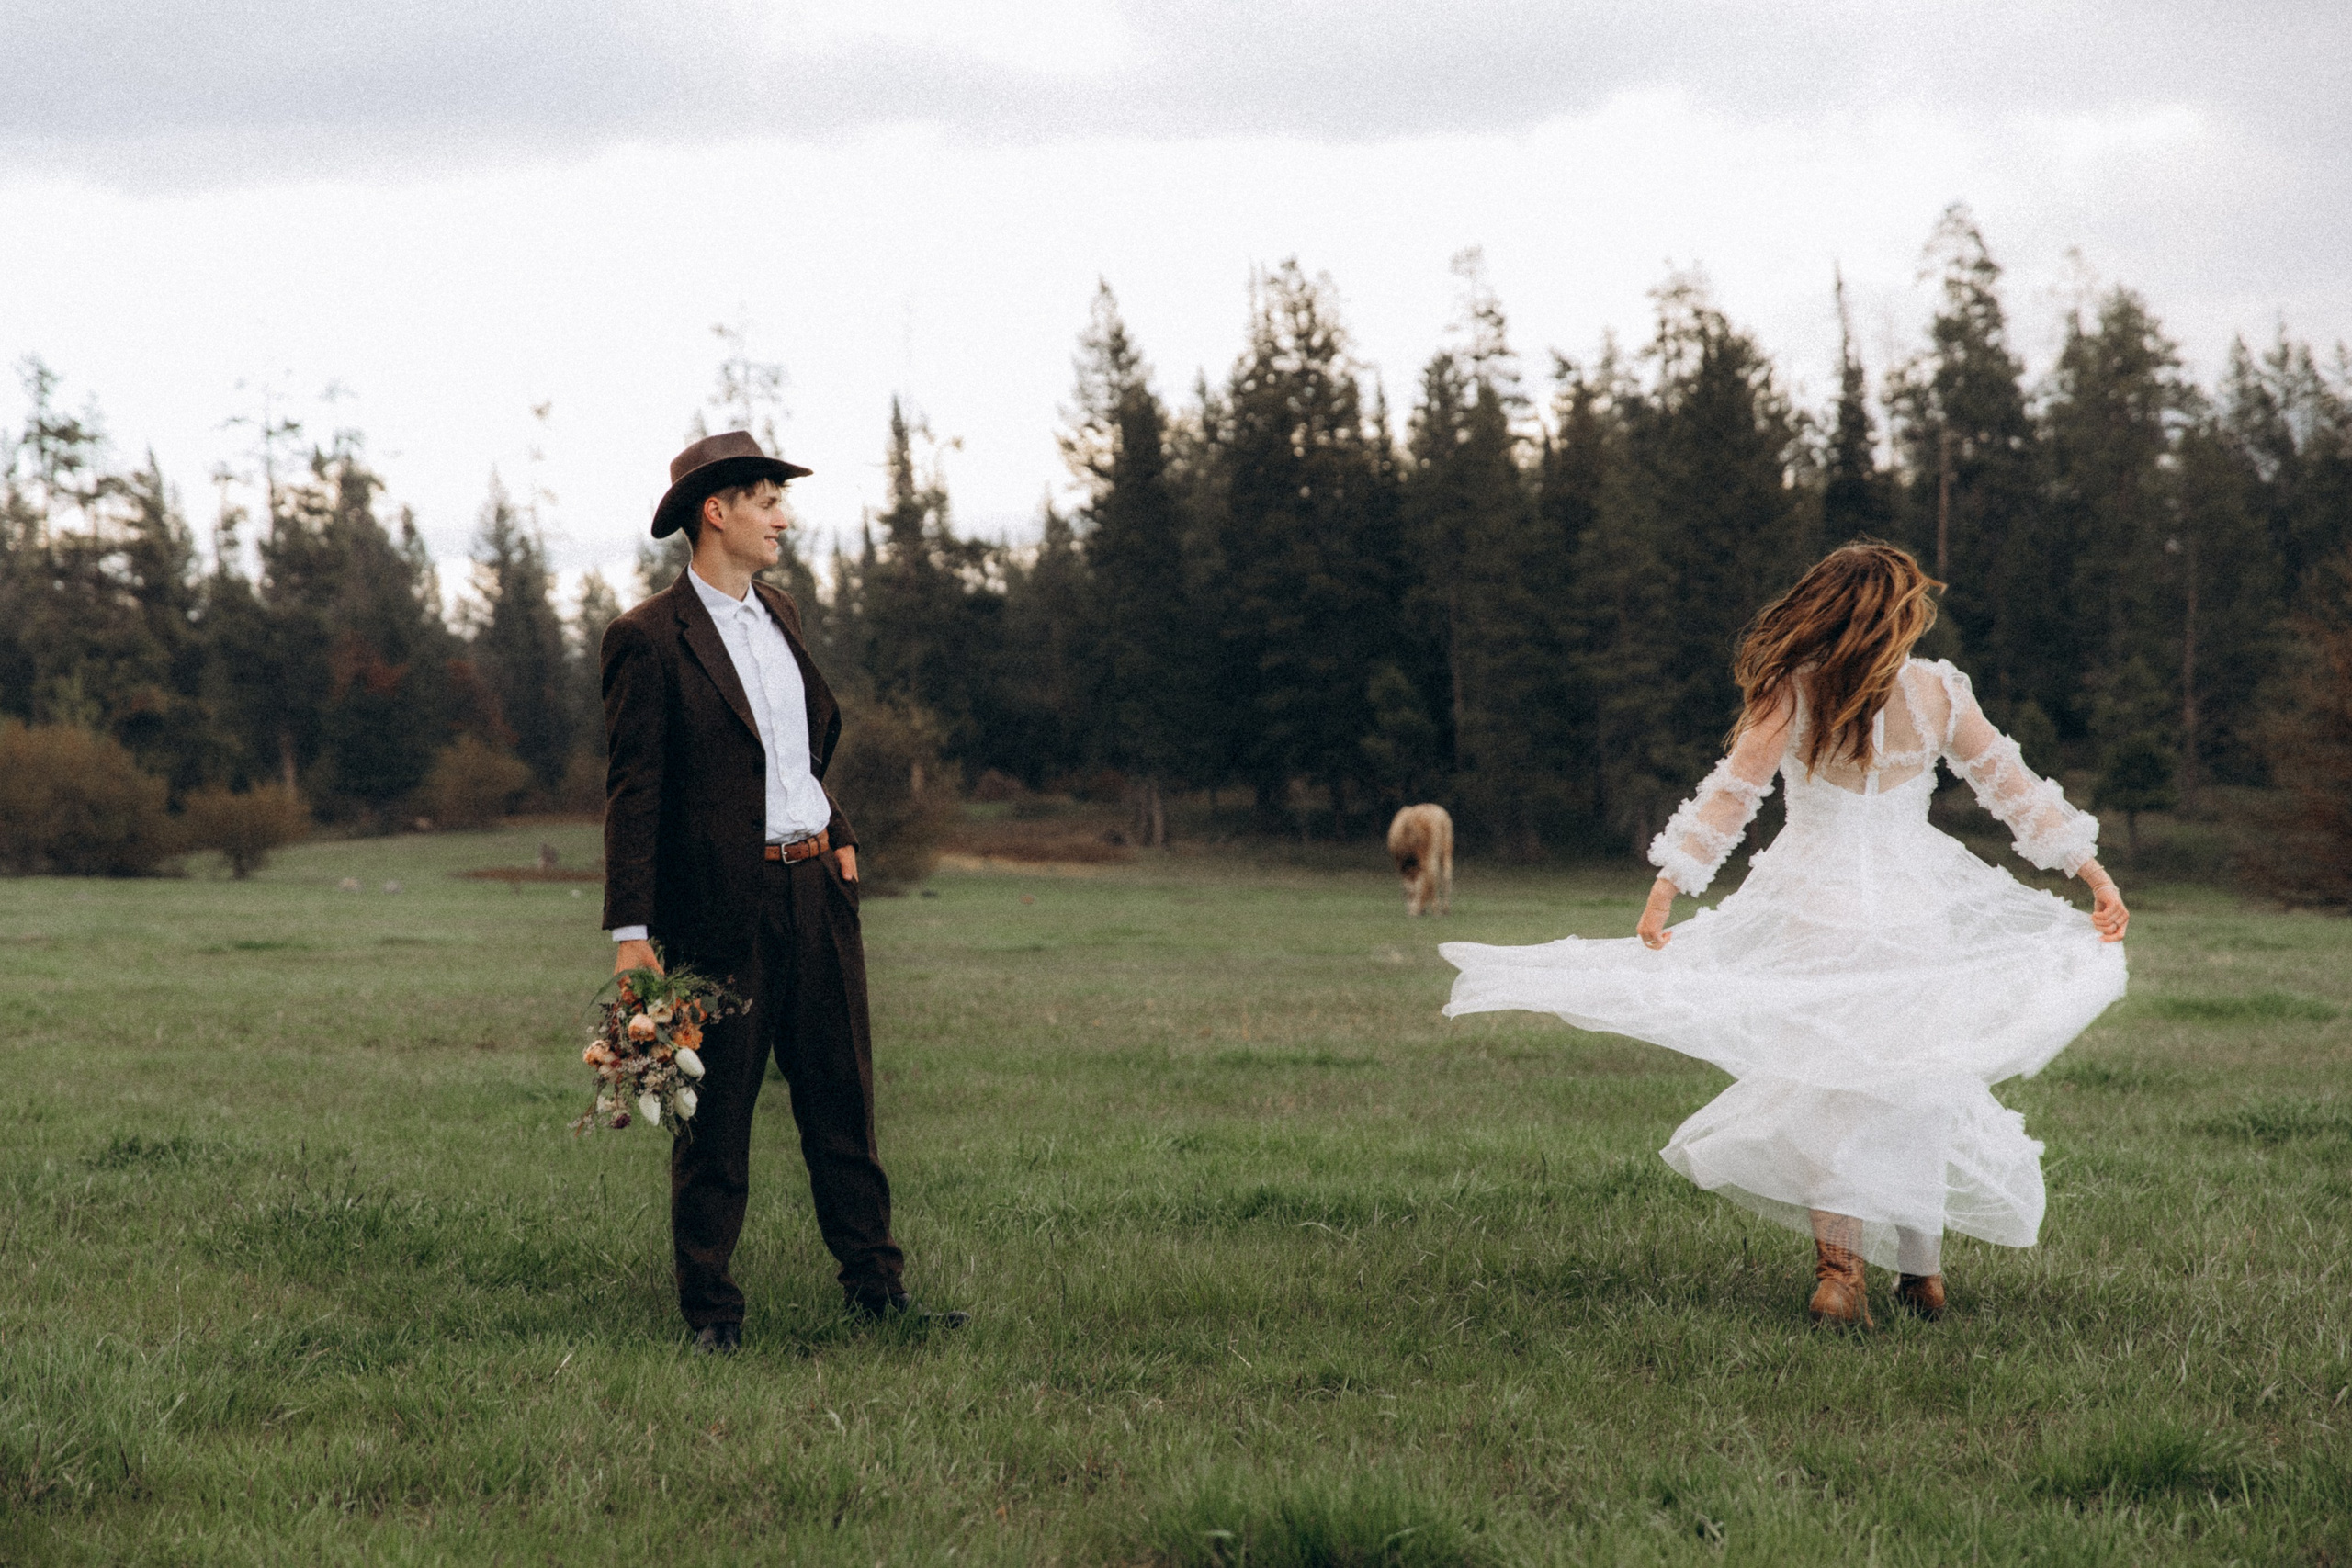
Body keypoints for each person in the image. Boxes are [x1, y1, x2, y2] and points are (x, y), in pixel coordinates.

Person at [1441, 540, 2128, 1326]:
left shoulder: (1793, 691)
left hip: (1816, 903)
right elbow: (2014, 786)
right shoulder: (1938, 691)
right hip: (1916, 907)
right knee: (1916, 1079)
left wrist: (1670, 883)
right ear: (1895, 616)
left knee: (1832, 1086)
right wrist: (2092, 871)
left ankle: (1840, 1273)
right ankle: (1922, 1275)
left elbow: (1731, 796)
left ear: (1826, 607)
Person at [601, 430, 966, 1352]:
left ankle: (876, 1293)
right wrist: (632, 935)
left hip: (818, 896)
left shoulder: (785, 615)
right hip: (719, 912)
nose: (783, 517)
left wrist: (835, 838)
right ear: (714, 511)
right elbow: (634, 793)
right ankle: (711, 1315)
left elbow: (798, 755)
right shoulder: (646, 640)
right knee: (714, 1117)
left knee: (844, 1098)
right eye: (767, 500)